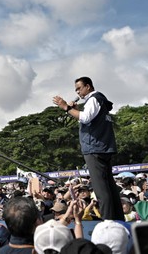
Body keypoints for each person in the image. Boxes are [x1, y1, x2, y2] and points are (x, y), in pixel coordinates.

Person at [53, 76, 124, 221]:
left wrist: (66, 107)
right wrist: (76, 110)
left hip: (94, 149)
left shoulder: (94, 99)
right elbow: (88, 120)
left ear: (88, 86)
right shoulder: (99, 101)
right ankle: (117, 219)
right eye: (76, 90)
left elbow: (85, 118)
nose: (78, 92)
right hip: (104, 147)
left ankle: (108, 222)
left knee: (101, 190)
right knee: (109, 187)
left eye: (79, 88)